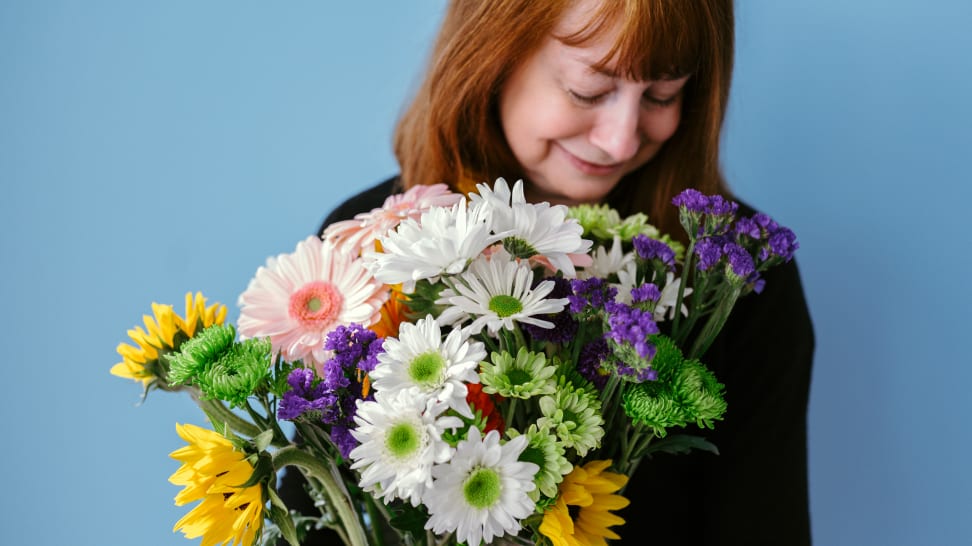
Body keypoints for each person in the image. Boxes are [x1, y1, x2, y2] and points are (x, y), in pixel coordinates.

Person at [283, 0, 814, 544]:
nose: (620, 139)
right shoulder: (366, 245)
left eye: (662, 95)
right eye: (588, 90)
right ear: (492, 54)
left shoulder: (732, 276)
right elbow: (315, 511)